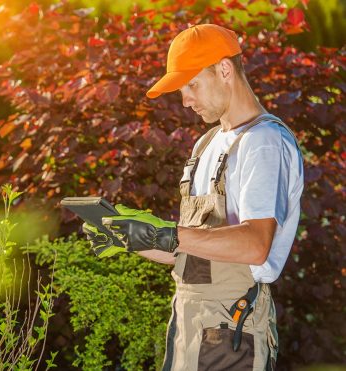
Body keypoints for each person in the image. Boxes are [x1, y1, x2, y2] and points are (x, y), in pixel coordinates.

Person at [82, 24, 303, 370]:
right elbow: (189, 252)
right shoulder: (205, 145)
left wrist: (166, 232)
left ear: (225, 70)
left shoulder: (264, 143)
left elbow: (255, 244)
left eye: (192, 84)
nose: (185, 100)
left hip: (233, 333)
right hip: (190, 326)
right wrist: (130, 236)